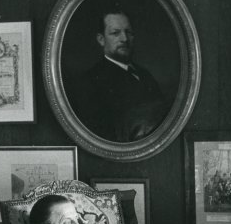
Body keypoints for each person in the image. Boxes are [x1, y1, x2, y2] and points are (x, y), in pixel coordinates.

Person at [71, 8, 168, 142]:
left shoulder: (145, 74)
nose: (124, 39)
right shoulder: (90, 81)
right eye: (115, 33)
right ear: (101, 39)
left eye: (128, 32)